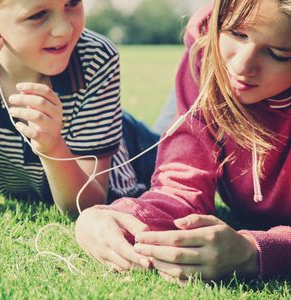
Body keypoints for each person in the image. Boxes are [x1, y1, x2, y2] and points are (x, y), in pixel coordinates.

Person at [75, 0, 291, 281]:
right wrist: (104, 218)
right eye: (237, 33)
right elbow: (181, 185)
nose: (241, 65)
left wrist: (256, 252)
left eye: (278, 54)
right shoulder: (207, 52)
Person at [0, 0, 167, 217]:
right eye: (37, 15)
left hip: (141, 152)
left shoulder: (95, 58)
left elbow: (89, 204)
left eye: (72, 2)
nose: (64, 30)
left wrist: (53, 147)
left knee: (187, 149)